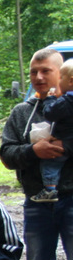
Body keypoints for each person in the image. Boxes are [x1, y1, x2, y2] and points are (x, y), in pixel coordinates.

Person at [0, 47, 70, 260]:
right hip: (37, 205)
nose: (39, 77)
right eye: (33, 72)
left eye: (46, 71)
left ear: (61, 74)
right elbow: (6, 154)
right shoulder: (21, 112)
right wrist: (33, 151)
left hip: (71, 200)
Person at [31, 59, 73, 203]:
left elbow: (49, 113)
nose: (58, 82)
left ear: (71, 81)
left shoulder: (66, 101)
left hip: (60, 144)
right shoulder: (22, 110)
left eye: (61, 78)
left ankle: (50, 189)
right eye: (34, 72)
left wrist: (49, 100)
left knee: (50, 163)